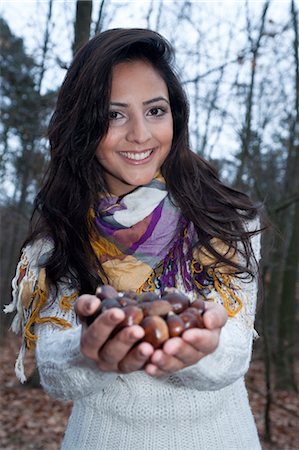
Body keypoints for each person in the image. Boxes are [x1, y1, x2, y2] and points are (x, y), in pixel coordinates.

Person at [5, 28, 263, 450]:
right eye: (114, 115)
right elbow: (53, 371)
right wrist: (87, 348)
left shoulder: (227, 222)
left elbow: (234, 354)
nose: (141, 134)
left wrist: (200, 348)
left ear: (175, 116)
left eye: (156, 110)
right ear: (82, 125)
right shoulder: (55, 242)